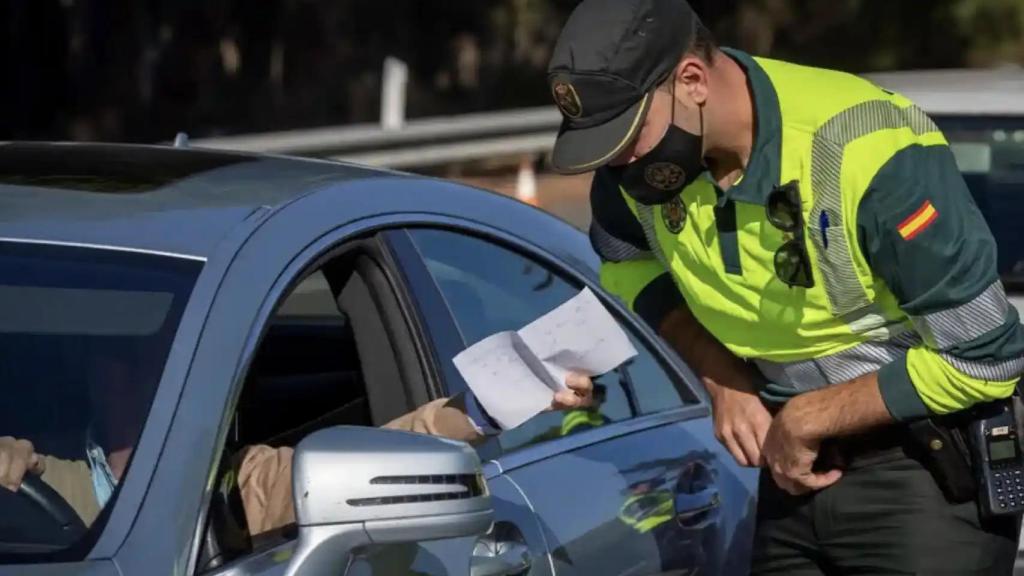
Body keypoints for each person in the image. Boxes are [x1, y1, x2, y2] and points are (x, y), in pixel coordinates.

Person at [546, 0, 1024, 573]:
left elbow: (987, 359)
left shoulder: (868, 149)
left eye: (627, 134)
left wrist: (810, 417)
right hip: (787, 474)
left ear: (692, 81)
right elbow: (630, 270)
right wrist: (722, 377)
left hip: (924, 474)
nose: (619, 161)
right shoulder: (635, 172)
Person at [0, 352, 593, 536]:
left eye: (165, 351)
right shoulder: (34, 478)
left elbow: (397, 447)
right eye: (120, 355)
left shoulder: (237, 486)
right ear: (88, 373)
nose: (139, 371)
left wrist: (493, 402)